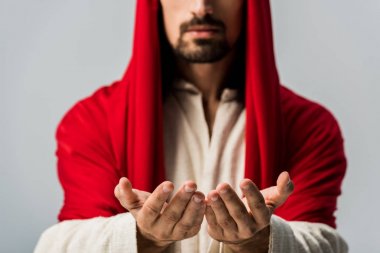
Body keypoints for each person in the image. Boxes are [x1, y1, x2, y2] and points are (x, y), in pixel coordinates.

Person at [35, 0, 348, 252]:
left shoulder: (309, 127)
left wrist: (260, 242)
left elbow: (324, 243)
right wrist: (142, 237)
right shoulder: (93, 120)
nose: (201, 7)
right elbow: (58, 245)